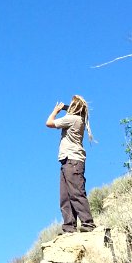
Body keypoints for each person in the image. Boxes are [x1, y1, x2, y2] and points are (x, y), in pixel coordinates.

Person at [45, 95, 96, 233]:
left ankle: (88, 223)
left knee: (76, 193)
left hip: (72, 160)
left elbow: (49, 123)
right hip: (68, 160)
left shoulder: (73, 119)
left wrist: (56, 110)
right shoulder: (78, 119)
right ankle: (69, 226)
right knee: (65, 196)